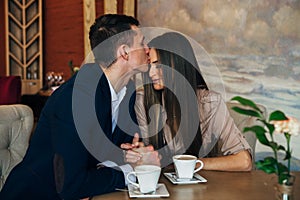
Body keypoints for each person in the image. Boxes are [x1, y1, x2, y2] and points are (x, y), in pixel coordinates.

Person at [0, 14, 160, 199]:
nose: (148, 49)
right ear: (124, 52)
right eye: (142, 43)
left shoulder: (127, 90)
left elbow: (118, 149)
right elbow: (71, 185)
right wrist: (132, 172)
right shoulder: (75, 98)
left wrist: (133, 155)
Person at [125, 32, 252, 171]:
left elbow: (244, 161)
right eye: (150, 66)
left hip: (203, 186)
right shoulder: (143, 101)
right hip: (162, 185)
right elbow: (147, 153)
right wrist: (141, 154)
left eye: (159, 66)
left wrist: (193, 164)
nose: (151, 73)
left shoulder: (209, 103)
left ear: (178, 65)